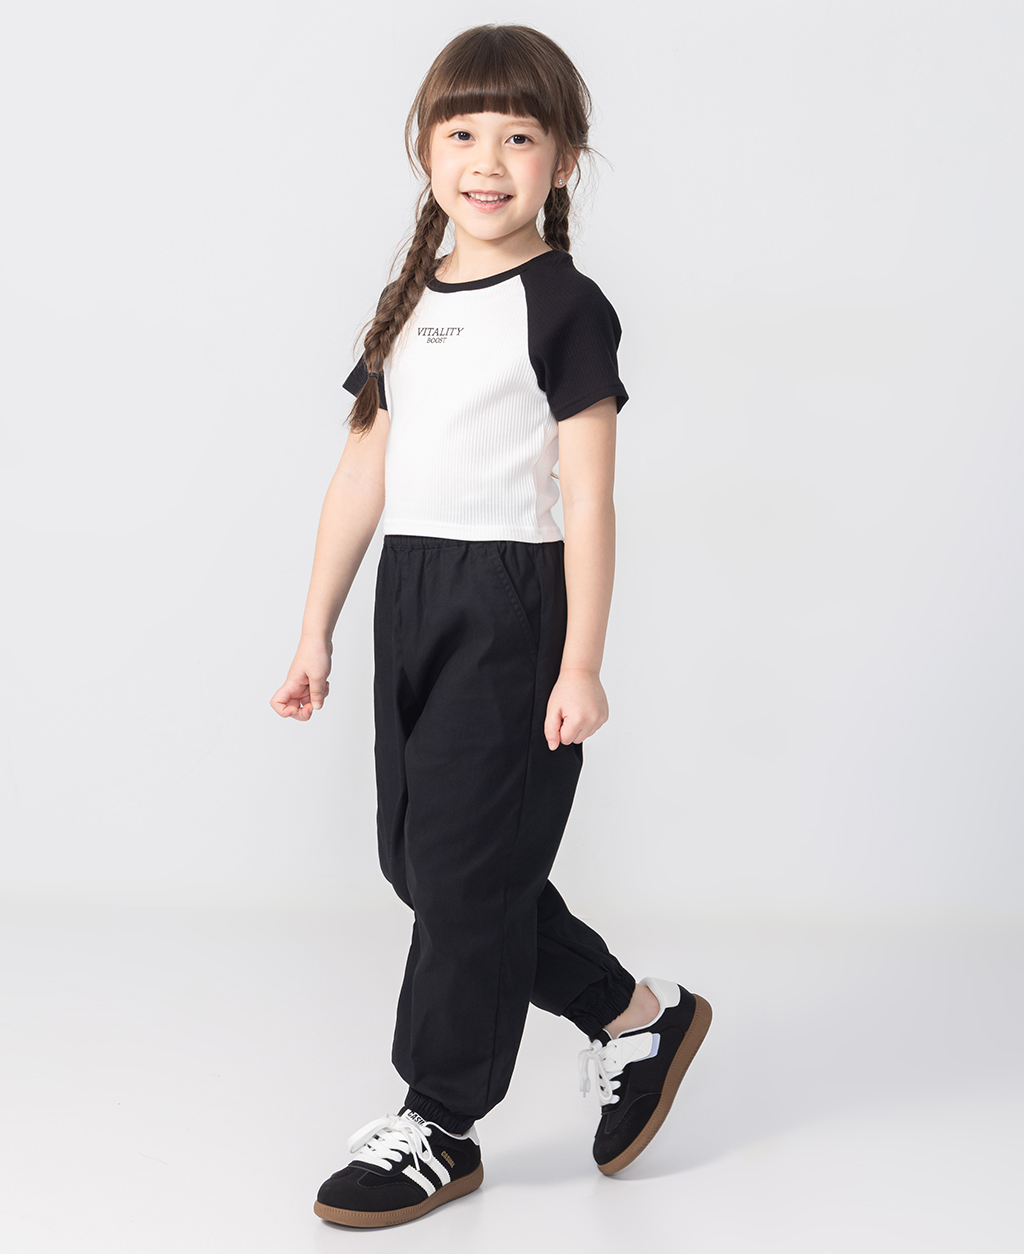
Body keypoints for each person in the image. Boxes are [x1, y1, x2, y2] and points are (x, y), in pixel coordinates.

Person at [270, 22, 712, 1230]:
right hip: (412, 593)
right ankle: (634, 1015)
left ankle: (439, 1120)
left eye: (520, 137)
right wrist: (315, 629)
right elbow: (360, 473)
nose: (487, 159)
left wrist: (581, 662)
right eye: (463, 132)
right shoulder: (408, 301)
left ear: (563, 161)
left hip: (514, 600)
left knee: (467, 874)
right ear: (424, 148)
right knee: (423, 865)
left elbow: (590, 495)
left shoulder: (564, 305)